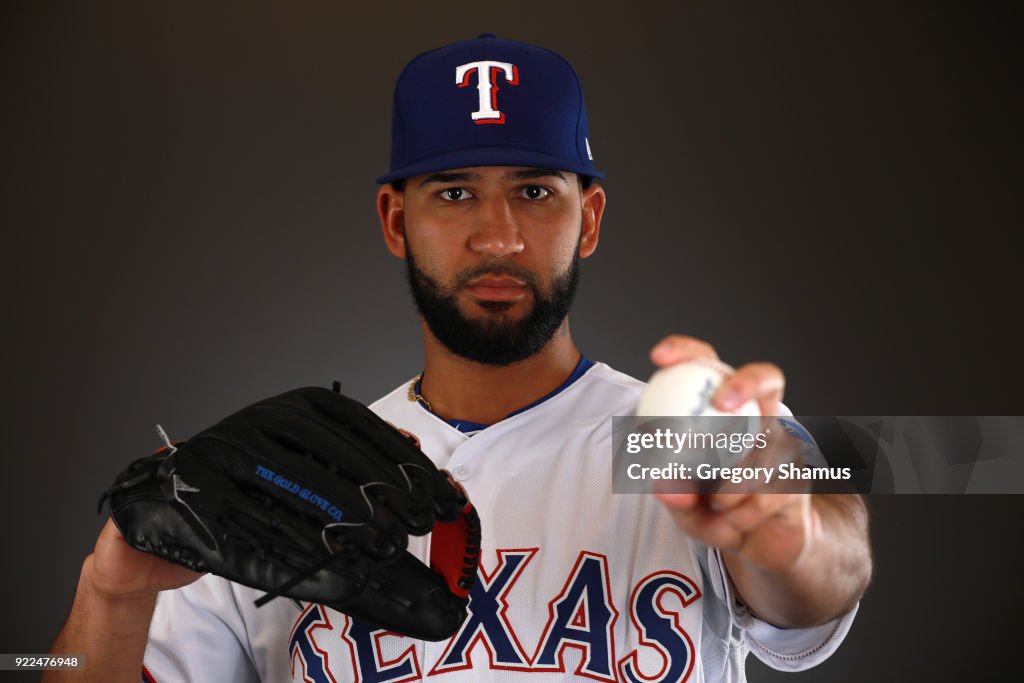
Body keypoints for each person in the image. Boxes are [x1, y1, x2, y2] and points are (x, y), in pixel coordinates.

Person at [46, 34, 871, 682]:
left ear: (588, 219)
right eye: (453, 191)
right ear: (395, 221)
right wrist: (109, 590)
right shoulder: (277, 484)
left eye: (535, 190)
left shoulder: (678, 441)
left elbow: (832, 562)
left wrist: (792, 528)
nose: (498, 235)